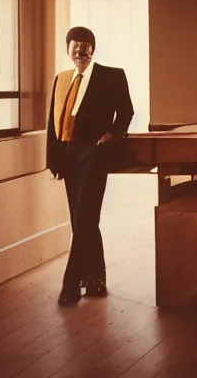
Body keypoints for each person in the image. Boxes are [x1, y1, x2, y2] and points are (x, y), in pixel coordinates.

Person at [47, 26, 135, 306]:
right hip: (69, 155)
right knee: (81, 220)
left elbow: (127, 111)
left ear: (92, 50)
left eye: (85, 46)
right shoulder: (61, 79)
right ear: (68, 50)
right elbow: (53, 122)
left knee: (85, 216)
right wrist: (54, 159)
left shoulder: (111, 75)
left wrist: (110, 137)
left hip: (95, 153)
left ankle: (70, 284)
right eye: (75, 46)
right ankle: (96, 280)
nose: (80, 51)